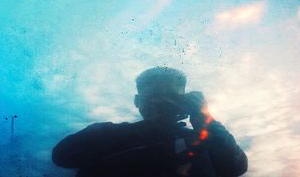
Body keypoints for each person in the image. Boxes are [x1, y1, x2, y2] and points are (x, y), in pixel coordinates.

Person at [52, 67, 248, 177]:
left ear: (184, 103)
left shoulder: (202, 139)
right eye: (153, 97)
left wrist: (206, 120)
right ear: (138, 102)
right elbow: (62, 156)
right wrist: (175, 146)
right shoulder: (106, 134)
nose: (160, 104)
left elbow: (235, 168)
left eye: (170, 97)